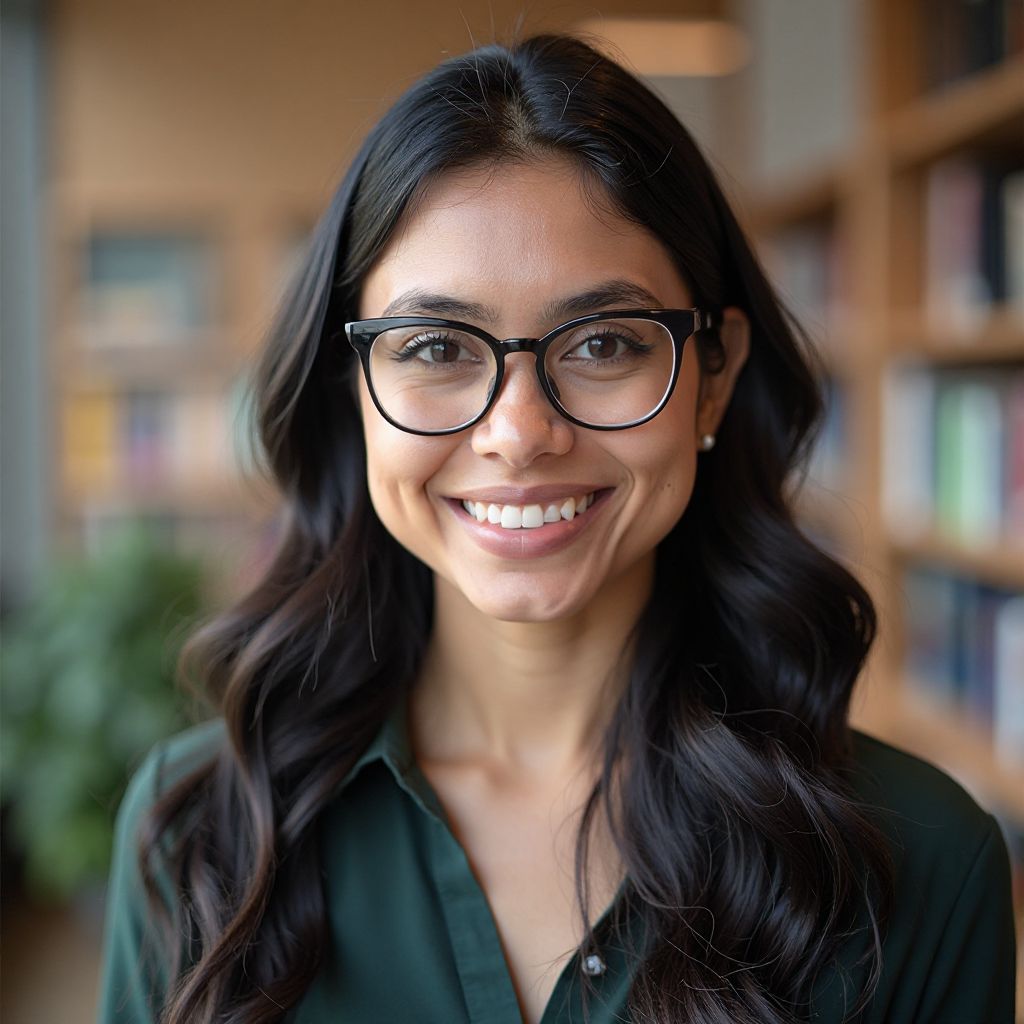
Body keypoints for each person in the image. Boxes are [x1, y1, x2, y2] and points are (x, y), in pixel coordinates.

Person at [97, 33, 1017, 1024]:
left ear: (711, 377)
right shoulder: (199, 832)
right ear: (349, 386)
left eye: (605, 342)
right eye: (438, 346)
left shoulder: (920, 862)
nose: (519, 432)